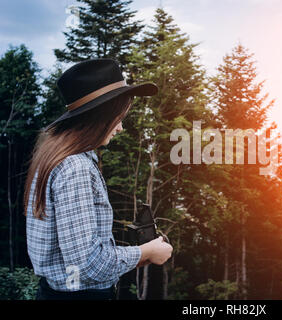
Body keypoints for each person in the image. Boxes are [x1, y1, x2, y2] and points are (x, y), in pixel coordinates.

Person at [24, 58, 173, 300]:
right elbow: (87, 265)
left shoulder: (55, 155)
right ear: (101, 115)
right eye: (119, 117)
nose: (121, 128)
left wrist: (141, 256)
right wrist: (146, 250)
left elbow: (73, 263)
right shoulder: (75, 167)